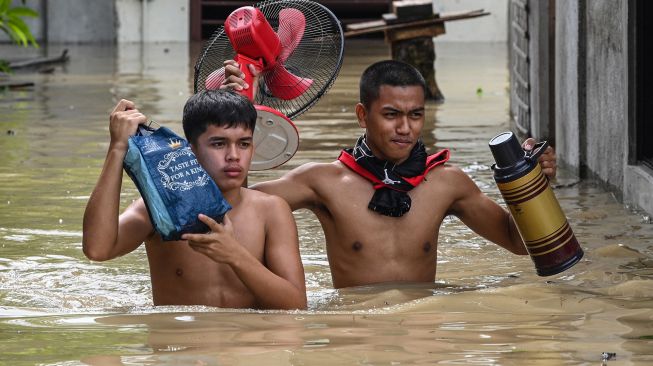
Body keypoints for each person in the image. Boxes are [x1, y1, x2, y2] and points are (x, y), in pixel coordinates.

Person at [222, 59, 557, 289]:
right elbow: (237, 208)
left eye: (415, 115)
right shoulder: (322, 182)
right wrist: (236, 114)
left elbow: (518, 243)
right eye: (391, 114)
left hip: (421, 337)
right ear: (362, 115)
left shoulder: (446, 182)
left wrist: (535, 183)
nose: (405, 128)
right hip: (357, 334)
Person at [82, 89, 307, 309]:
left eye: (243, 144)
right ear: (190, 151)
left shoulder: (271, 210)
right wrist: (117, 148)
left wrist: (235, 256)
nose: (234, 156)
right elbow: (97, 250)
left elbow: (296, 305)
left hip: (248, 344)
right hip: (183, 344)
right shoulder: (160, 209)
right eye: (218, 144)